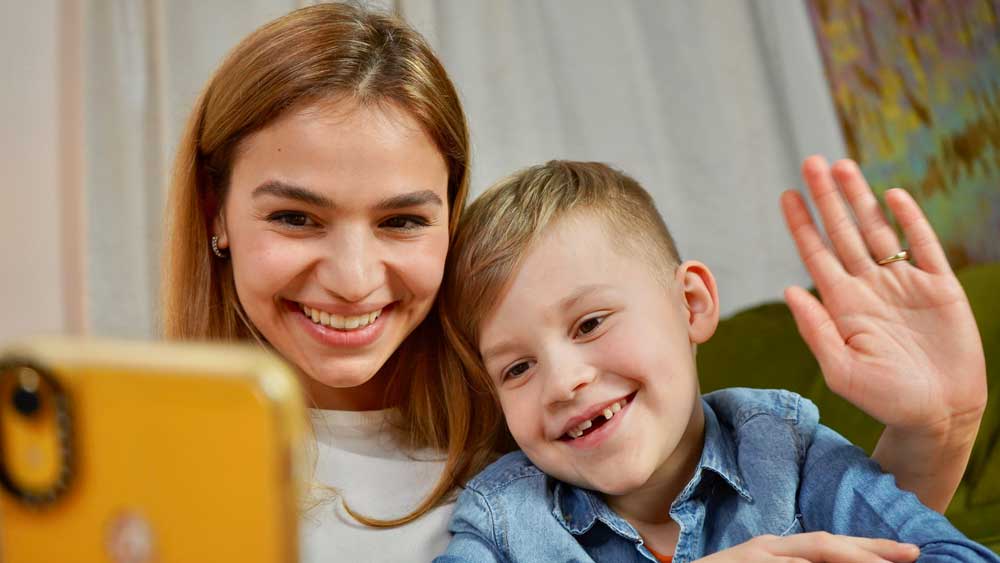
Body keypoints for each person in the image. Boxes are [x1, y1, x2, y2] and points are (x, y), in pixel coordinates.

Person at [158, 3, 986, 561]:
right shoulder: (152, 467)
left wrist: (939, 426)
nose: (350, 278)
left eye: (403, 219)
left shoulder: (542, 425)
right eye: (296, 217)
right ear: (217, 213)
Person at [436, 160, 993, 562]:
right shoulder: (503, 520)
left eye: (590, 323)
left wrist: (945, 423)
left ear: (691, 305)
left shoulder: (782, 447)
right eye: (516, 369)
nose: (562, 382)